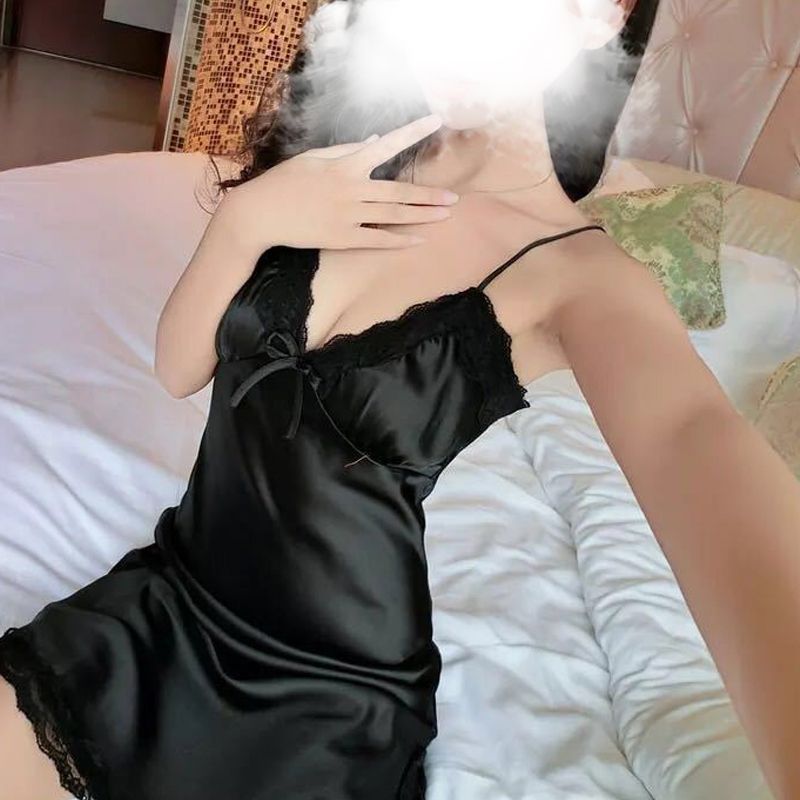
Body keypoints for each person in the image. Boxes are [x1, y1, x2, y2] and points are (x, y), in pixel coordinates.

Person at [1, 1, 799, 799]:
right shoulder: (345, 161)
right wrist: (244, 220)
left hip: (325, 696)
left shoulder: (581, 279)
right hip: (170, 597)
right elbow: (180, 371)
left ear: (599, 15)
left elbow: (694, 435)